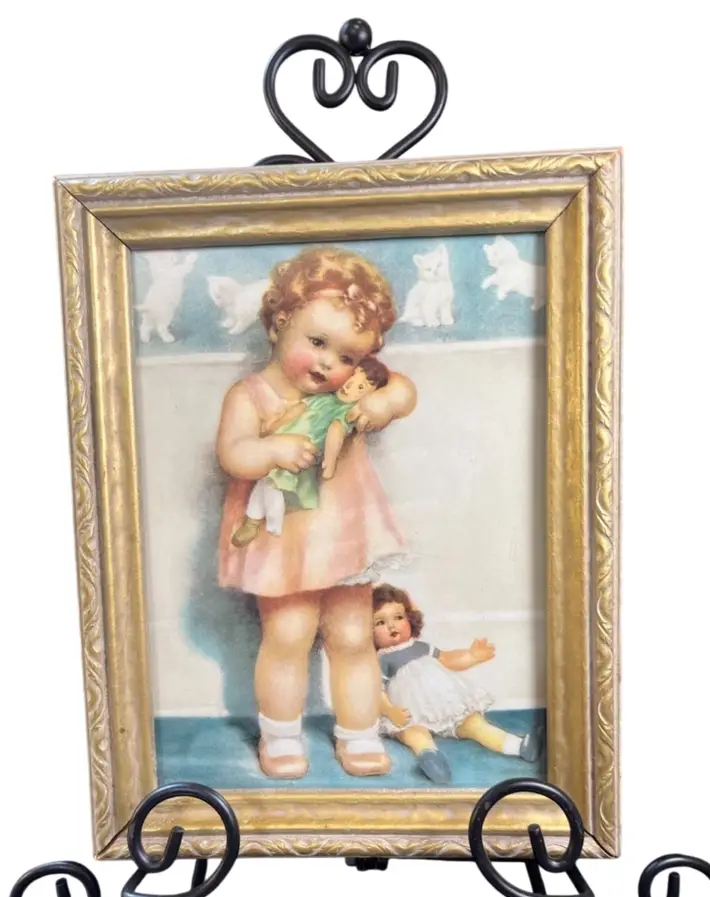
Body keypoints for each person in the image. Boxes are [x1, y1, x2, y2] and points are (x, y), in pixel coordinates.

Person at [216, 246, 417, 779]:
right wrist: (271, 449)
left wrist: (382, 403)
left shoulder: (349, 394)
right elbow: (233, 453)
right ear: (280, 323)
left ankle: (359, 732)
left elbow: (402, 389)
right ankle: (281, 735)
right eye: (318, 343)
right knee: (288, 635)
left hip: (345, 538)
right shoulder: (251, 394)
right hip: (281, 542)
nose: (330, 364)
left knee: (352, 637)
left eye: (348, 357)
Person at [373, 583, 545, 784]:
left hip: (444, 705)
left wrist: (472, 656)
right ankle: (429, 756)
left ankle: (517, 746)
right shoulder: (382, 660)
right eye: (381, 622)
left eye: (398, 617)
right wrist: (390, 710)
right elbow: (376, 690)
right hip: (409, 711)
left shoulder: (422, 647)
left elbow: (448, 659)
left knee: (473, 724)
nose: (392, 626)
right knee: (414, 733)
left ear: (410, 618)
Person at [231, 357, 389, 547]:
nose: (350, 386)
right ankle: (259, 524)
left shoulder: (346, 413)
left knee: (273, 483)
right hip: (280, 442)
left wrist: (330, 462)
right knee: (267, 481)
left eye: (360, 387)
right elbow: (297, 410)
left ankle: (271, 525)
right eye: (352, 377)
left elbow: (335, 432)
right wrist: (275, 426)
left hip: (300, 452)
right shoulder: (323, 398)